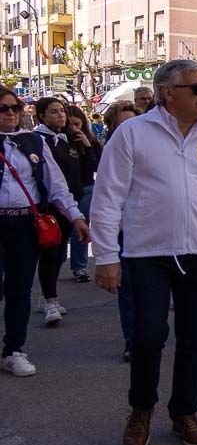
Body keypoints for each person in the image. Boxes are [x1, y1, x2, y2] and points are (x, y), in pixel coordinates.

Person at [92, 60, 197, 445]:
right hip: (148, 252)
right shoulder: (132, 133)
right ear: (168, 93)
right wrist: (106, 255)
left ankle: (184, 413)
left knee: (194, 338)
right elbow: (108, 197)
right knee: (147, 335)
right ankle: (141, 409)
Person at [0, 89, 89, 378]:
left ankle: (14, 349)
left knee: (19, 290)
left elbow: (56, 185)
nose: (11, 113)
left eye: (15, 107)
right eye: (3, 108)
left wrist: (75, 216)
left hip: (26, 225)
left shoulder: (34, 141)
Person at [33, 97, 95, 325]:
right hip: (51, 207)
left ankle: (49, 296)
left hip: (72, 202)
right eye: (53, 112)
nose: (61, 115)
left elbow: (88, 170)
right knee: (50, 253)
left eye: (62, 111)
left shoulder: (68, 139)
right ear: (41, 116)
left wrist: (86, 146)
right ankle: (50, 300)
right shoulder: (39, 140)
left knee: (60, 253)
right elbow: (52, 180)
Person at [103, 101, 138, 361]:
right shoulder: (111, 152)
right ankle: (132, 339)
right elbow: (107, 199)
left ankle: (149, 334)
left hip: (152, 232)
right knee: (128, 290)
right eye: (122, 123)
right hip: (124, 232)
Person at [65, 106, 102, 283]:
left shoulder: (92, 142)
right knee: (64, 228)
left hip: (86, 187)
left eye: (77, 124)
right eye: (70, 125)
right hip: (65, 190)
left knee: (80, 227)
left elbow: (98, 167)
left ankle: (79, 266)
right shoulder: (61, 141)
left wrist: (87, 147)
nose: (74, 129)